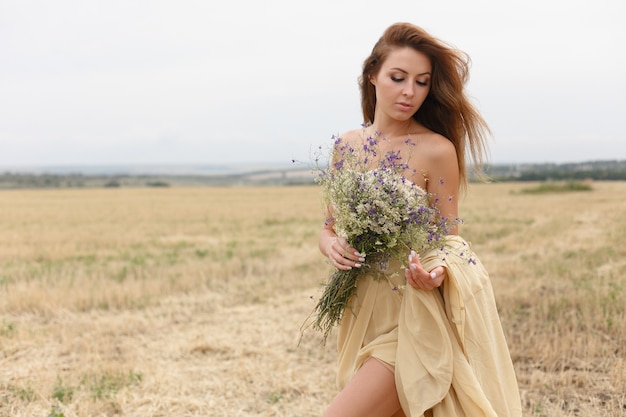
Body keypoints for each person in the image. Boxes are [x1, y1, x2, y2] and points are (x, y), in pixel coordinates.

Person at [317, 23, 522, 417]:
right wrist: (332, 246)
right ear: (372, 75)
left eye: (422, 82)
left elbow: (450, 240)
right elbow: (329, 226)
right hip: (362, 310)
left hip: (414, 314)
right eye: (398, 78)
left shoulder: (436, 150)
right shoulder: (346, 146)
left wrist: (438, 271)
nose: (410, 91)